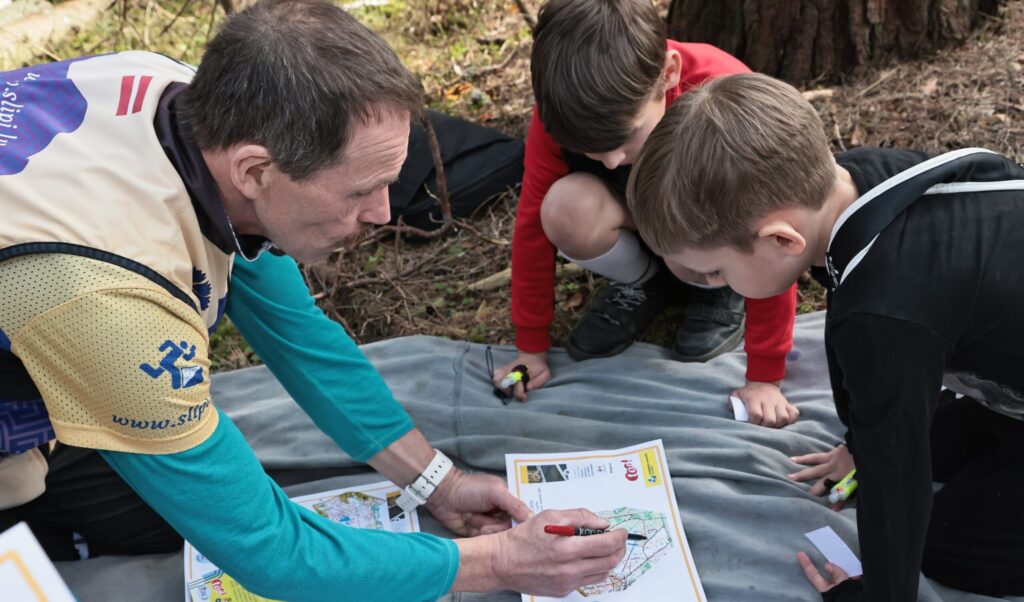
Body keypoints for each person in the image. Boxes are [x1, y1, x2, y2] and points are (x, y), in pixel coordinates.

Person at [0, 1, 627, 599]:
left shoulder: (186, 105)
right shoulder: (106, 299)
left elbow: (299, 335)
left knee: (174, 523)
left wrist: (441, 481)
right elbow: (271, 552)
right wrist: (497, 563)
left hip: (54, 331)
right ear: (255, 172)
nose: (383, 213)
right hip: (55, 333)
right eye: (362, 190)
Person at [626, 71, 1024, 600]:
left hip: (997, 384)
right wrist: (861, 441)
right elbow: (854, 309)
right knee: (916, 439)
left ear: (781, 239)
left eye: (715, 273)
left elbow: (896, 485)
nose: (709, 287)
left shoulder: (883, 315)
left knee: (938, 541)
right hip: (1003, 374)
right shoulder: (854, 181)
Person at [493, 0, 800, 428]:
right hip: (645, 224)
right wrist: (530, 348)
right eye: (592, 150)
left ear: (669, 73)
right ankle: (646, 284)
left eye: (626, 137)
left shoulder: (722, 92)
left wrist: (766, 375)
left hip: (713, 230)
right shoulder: (563, 109)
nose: (613, 161)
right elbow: (532, 226)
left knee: (732, 213)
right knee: (565, 206)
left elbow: (771, 230)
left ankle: (717, 285)